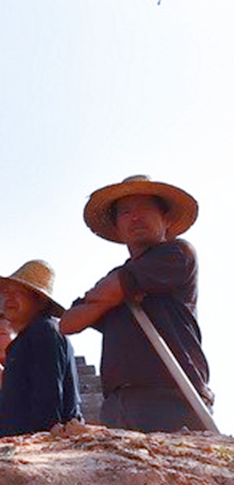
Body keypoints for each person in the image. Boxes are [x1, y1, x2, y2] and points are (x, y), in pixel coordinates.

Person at [59, 175, 212, 431]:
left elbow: (109, 292)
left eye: (145, 209)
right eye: (126, 212)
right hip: (119, 404)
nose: (135, 217)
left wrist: (107, 296)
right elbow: (67, 323)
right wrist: (112, 294)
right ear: (118, 227)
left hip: (171, 394)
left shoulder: (178, 254)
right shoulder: (113, 277)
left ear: (166, 219)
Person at [0, 259, 82, 434]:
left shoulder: (44, 330)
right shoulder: (25, 338)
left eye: (18, 293)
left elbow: (48, 392)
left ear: (40, 301)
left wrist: (44, 434)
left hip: (44, 442)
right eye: (7, 293)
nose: (9, 299)